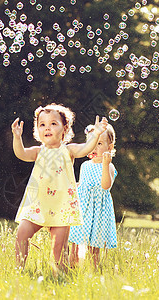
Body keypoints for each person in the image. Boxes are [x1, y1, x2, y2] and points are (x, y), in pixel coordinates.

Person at [11, 103, 108, 271]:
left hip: (62, 206)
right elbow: (21, 154)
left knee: (59, 248)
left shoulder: (68, 150)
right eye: (42, 125)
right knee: (22, 234)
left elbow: (85, 149)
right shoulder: (38, 151)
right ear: (37, 131)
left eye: (53, 123)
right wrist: (17, 137)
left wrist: (96, 134)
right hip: (38, 205)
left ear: (65, 129)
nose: (47, 128)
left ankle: (60, 274)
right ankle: (19, 269)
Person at [68, 123, 118, 269]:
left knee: (94, 249)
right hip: (83, 210)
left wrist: (105, 164)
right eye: (92, 142)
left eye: (100, 143)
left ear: (109, 147)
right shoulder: (85, 165)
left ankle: (93, 272)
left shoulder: (108, 166)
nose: (95, 146)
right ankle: (71, 270)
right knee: (75, 246)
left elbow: (105, 185)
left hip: (98, 213)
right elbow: (82, 185)